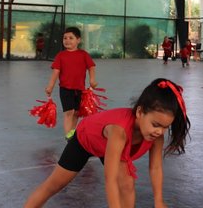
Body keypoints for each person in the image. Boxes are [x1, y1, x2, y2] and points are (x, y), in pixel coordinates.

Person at [24, 78, 191, 208]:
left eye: (165, 127)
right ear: (140, 112)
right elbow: (109, 179)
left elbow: (155, 168)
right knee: (53, 185)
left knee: (127, 183)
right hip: (85, 140)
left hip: (110, 148)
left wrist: (159, 200)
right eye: (156, 125)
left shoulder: (157, 137)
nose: (159, 132)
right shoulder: (119, 132)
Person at [45, 27, 97, 140]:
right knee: (68, 112)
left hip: (79, 89)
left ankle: (72, 133)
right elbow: (56, 72)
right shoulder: (61, 56)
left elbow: (91, 67)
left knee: (76, 113)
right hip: (65, 89)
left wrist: (92, 80)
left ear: (78, 40)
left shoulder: (83, 54)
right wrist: (50, 86)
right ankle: (68, 136)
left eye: (71, 38)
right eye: (65, 38)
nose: (67, 40)